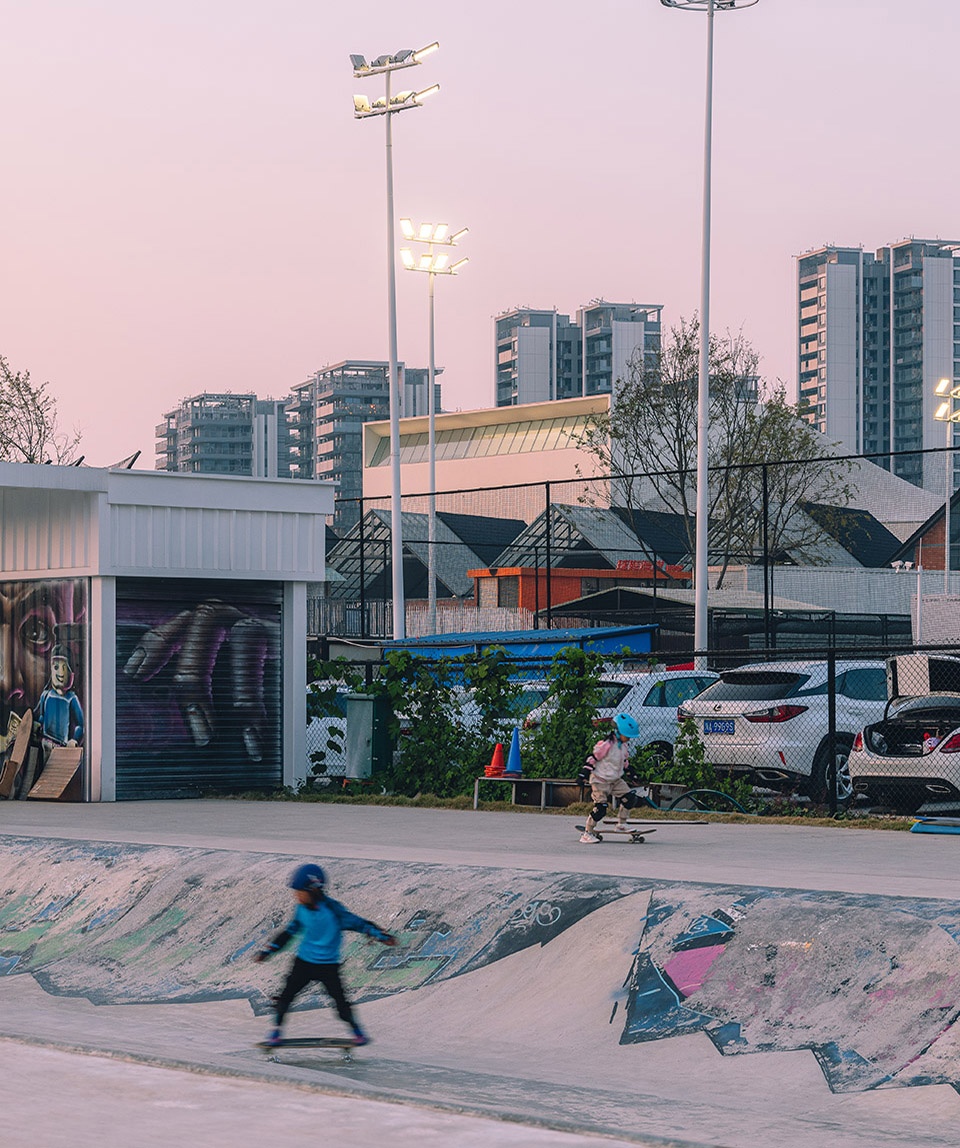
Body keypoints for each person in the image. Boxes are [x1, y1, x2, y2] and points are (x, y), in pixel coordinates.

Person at [253, 863, 396, 1047]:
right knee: (285, 996)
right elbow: (288, 933)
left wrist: (382, 936)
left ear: (313, 890)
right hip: (304, 963)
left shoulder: (334, 911)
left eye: (299, 892)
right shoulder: (301, 910)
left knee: (340, 1003)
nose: (296, 896)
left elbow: (360, 924)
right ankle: (275, 1033)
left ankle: (358, 1033)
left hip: (329, 966)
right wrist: (268, 951)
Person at [577, 712, 643, 843]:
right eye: (627, 736)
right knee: (601, 808)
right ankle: (587, 832)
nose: (629, 739)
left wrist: (631, 773)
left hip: (615, 780)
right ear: (619, 732)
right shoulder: (606, 744)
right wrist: (584, 773)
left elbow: (624, 762)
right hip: (600, 780)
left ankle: (621, 824)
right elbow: (593, 758)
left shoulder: (623, 746)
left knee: (630, 799)